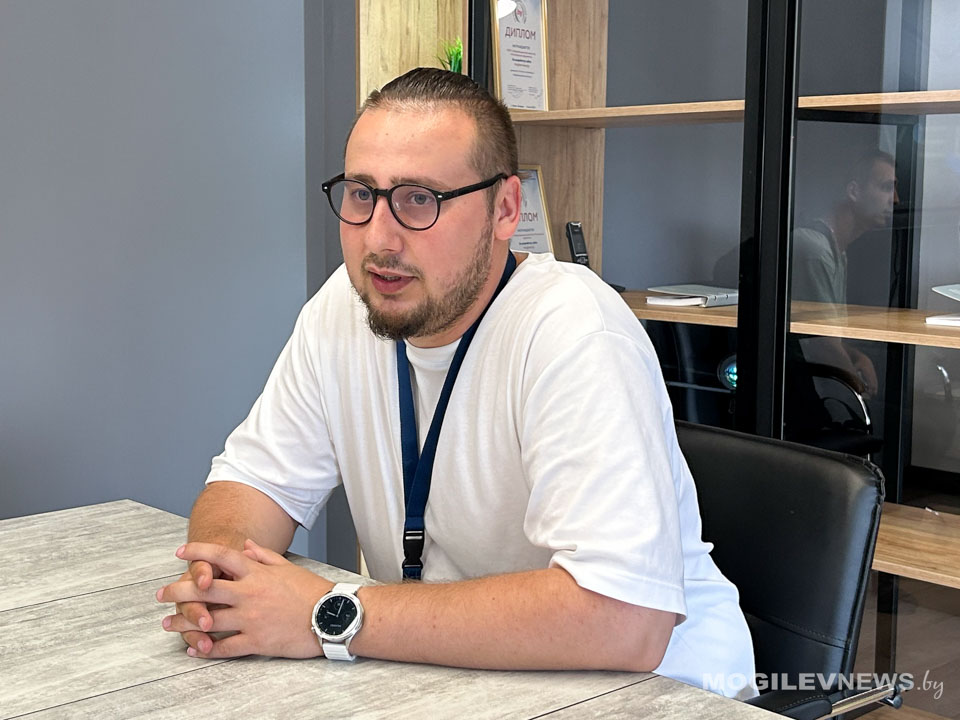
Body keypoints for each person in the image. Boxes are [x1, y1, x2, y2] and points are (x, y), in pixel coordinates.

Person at [156, 68, 754, 696]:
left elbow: (624, 620)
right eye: (361, 194)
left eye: (420, 199)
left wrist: (326, 613)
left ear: (505, 209)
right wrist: (221, 583)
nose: (378, 238)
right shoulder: (346, 306)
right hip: (460, 675)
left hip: (664, 692)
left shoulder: (574, 330)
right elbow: (253, 483)